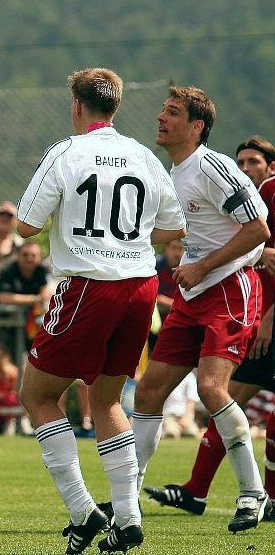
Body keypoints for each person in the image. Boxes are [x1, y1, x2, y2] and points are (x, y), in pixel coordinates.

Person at [16, 68, 186, 554]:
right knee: (108, 400)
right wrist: (129, 239)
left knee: (37, 395)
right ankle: (128, 518)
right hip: (141, 288)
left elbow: (25, 226)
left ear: (77, 105)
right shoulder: (143, 155)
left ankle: (82, 510)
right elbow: (175, 226)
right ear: (116, 106)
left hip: (90, 285)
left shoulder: (66, 152)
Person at [132, 87, 271, 535]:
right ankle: (125, 499)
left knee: (212, 389)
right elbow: (170, 231)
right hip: (194, 296)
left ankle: (252, 493)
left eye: (172, 112)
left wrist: (204, 265)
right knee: (149, 393)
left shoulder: (213, 166)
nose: (160, 117)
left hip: (230, 289)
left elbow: (259, 229)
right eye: (163, 110)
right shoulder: (173, 173)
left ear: (196, 127)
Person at [0, 201, 23, 304]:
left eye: (9, 215)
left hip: (14, 307)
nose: (5, 218)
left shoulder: (21, 247)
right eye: (1, 214)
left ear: (15, 221)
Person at [161, 372, 201, 438]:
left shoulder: (189, 376)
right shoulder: (163, 375)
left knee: (191, 433)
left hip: (185, 415)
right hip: (168, 416)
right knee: (171, 433)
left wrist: (186, 417)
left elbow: (191, 400)